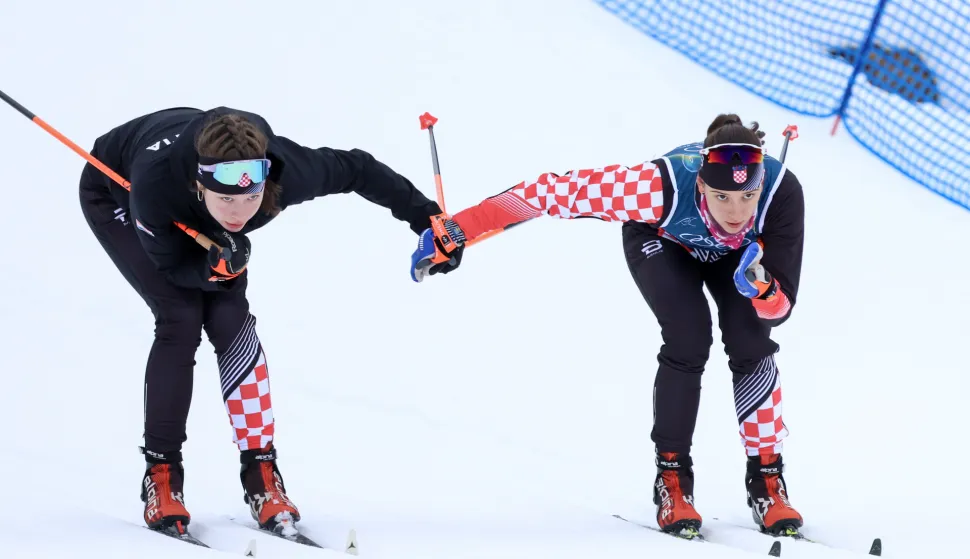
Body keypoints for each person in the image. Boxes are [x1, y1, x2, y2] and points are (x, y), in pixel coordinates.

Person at [410, 114, 806, 537]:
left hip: (740, 260)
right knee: (689, 337)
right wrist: (457, 229)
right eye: (722, 196)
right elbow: (549, 193)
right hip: (664, 242)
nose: (736, 210)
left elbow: (780, 310)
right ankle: (672, 481)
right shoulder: (655, 187)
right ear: (701, 185)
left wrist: (763, 289)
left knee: (752, 343)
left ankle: (767, 481)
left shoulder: (782, 195)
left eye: (747, 196)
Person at [79, 106, 464, 536]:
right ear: (199, 185)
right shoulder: (154, 185)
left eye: (251, 197)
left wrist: (428, 219)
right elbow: (171, 267)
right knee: (180, 317)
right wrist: (211, 271)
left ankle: (261, 472)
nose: (239, 212)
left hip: (190, 207)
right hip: (115, 193)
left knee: (231, 320)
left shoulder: (288, 170)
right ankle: (162, 475)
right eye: (226, 198)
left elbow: (359, 169)